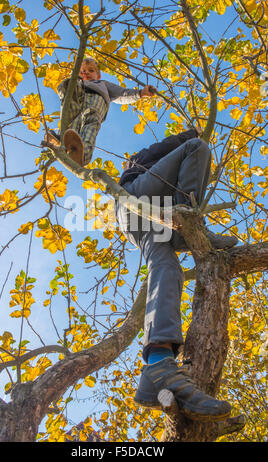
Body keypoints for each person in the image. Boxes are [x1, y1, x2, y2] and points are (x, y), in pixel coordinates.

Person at [115, 127, 238, 421]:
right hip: (134, 200)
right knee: (197, 148)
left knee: (168, 268)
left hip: (147, 224)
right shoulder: (146, 157)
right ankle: (190, 221)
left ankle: (158, 364)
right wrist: (190, 134)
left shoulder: (157, 171)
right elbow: (178, 147)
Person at [48, 57, 156, 166]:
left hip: (95, 100)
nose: (86, 72)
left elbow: (122, 93)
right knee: (71, 120)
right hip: (77, 98)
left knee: (90, 123)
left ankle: (83, 154)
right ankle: (62, 140)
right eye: (82, 71)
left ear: (98, 75)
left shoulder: (102, 84)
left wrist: (140, 93)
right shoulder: (77, 83)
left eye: (91, 70)